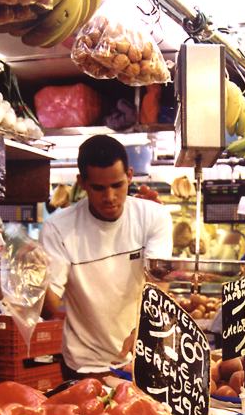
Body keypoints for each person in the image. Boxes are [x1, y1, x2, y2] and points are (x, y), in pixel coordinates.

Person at [41, 135, 173, 380]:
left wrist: (145, 329)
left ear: (130, 175)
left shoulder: (154, 217)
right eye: (99, 188)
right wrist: (27, 280)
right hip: (83, 366)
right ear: (82, 183)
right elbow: (49, 306)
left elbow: (159, 282)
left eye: (117, 185)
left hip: (140, 358)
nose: (110, 197)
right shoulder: (58, 228)